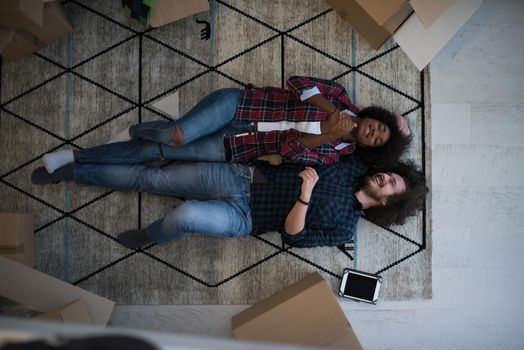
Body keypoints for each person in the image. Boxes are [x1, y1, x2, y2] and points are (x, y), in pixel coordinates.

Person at [31, 153, 427, 249]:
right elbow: (370, 130)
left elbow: (292, 237)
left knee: (184, 213)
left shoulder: (344, 227)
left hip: (243, 216)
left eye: (391, 185)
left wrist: (305, 197)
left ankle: (151, 235)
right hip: (243, 176)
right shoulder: (351, 167)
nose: (385, 178)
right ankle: (74, 172)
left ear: (386, 204)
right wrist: (398, 131)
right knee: (151, 177)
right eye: (391, 173)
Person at [41, 76, 411, 173]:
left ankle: (78, 157)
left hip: (236, 147)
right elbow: (297, 82)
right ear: (371, 117)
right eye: (378, 127)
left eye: (377, 140)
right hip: (238, 104)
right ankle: (138, 127)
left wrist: (327, 136)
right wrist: (329, 111)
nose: (374, 133)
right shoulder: (340, 96)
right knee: (177, 134)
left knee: (155, 154)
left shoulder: (335, 154)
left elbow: (288, 153)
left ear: (367, 147)